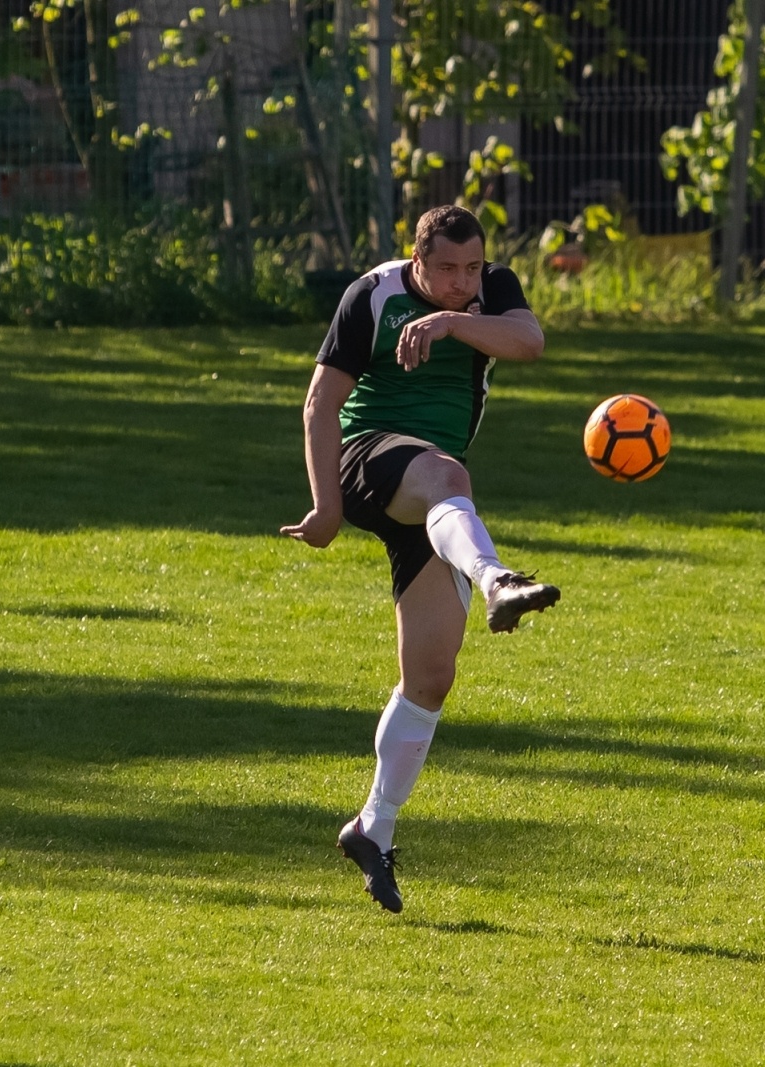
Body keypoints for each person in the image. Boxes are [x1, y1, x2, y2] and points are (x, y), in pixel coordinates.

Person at [281, 205, 560, 914]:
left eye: (472, 268)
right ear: (416, 257)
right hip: (369, 457)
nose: (463, 281)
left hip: (434, 508)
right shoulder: (370, 295)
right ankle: (497, 577)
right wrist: (325, 506)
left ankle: (372, 827)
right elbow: (320, 403)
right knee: (448, 477)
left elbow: (530, 341)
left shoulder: (487, 292)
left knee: (431, 675)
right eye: (446, 270)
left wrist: (452, 321)